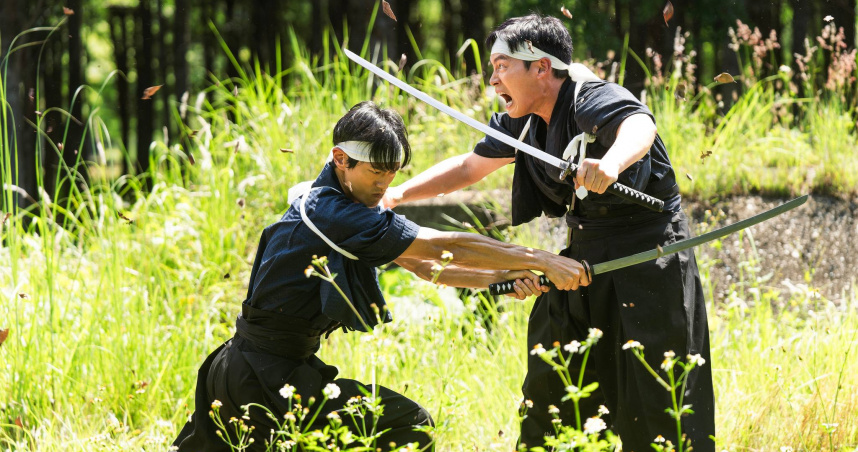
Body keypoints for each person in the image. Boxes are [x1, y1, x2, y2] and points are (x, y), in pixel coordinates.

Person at [172, 101, 591, 452]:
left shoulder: (328, 200)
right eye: (376, 172)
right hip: (261, 376)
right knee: (413, 427)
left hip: (254, 369)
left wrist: (505, 279)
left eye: (393, 172)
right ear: (341, 159)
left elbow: (427, 267)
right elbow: (449, 246)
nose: (385, 184)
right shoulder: (332, 215)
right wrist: (540, 259)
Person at [381, 14, 715, 452]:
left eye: (502, 66)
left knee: (658, 399)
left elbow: (640, 126)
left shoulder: (591, 97)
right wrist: (399, 194)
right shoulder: (519, 120)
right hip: (581, 257)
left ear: (541, 67)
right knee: (555, 387)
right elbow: (469, 167)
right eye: (492, 68)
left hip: (648, 259)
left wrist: (611, 164)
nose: (493, 79)